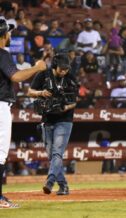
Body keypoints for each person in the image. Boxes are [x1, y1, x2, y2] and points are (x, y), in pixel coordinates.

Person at [0, 18, 46, 208]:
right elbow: (16, 76)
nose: (10, 35)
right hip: (0, 105)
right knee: (0, 153)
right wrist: (36, 68)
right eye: (8, 32)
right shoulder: (2, 53)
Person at [28, 52, 78, 196]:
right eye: (62, 68)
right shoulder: (43, 74)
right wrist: (41, 93)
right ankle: (63, 185)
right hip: (47, 119)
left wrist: (64, 107)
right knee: (52, 156)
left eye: (66, 68)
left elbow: (74, 101)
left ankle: (49, 182)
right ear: (55, 66)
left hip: (64, 119)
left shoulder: (70, 78)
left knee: (57, 153)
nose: (64, 71)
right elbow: (30, 91)